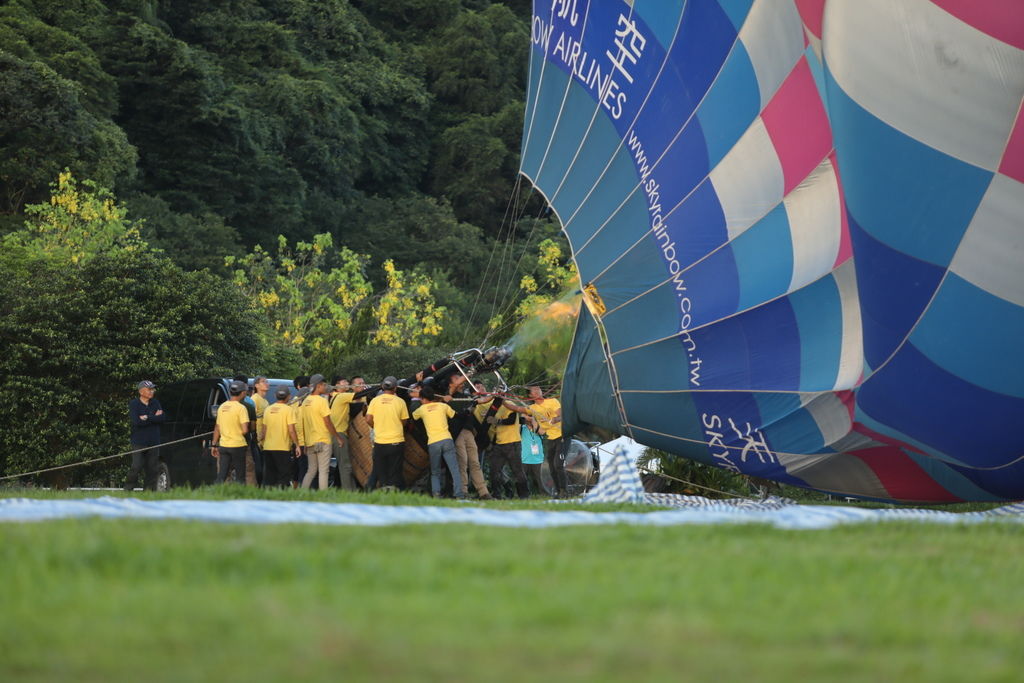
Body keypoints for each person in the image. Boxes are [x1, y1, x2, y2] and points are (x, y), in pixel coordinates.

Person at [412, 386, 464, 499]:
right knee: (454, 469)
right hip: (447, 440)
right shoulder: (443, 406)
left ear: (423, 399)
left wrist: (414, 397)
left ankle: (436, 494)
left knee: (435, 472)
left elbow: (413, 417)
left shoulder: (422, 409)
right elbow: (457, 416)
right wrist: (446, 400)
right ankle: (459, 494)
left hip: (433, 443)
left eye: (421, 399)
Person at [300, 374, 344, 491]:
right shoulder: (321, 401)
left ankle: (301, 494)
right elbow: (328, 422)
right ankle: (323, 497)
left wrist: (304, 442)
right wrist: (338, 437)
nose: (325, 387)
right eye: (324, 385)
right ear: (318, 386)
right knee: (324, 471)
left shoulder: (305, 402)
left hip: (310, 442)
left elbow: (303, 424)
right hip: (323, 441)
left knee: (311, 470)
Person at [365, 376, 408, 491]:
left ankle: (384, 491)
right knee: (395, 471)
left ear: (383, 387)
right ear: (395, 388)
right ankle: (395, 496)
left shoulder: (374, 401)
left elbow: (368, 419)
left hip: (380, 442)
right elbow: (404, 420)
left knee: (381, 471)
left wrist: (377, 427)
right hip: (396, 442)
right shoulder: (400, 402)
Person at [528, 386, 568, 497]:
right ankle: (558, 490)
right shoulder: (532, 408)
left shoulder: (552, 401)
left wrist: (556, 419)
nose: (537, 390)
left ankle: (564, 490)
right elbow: (518, 409)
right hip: (550, 438)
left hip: (562, 435)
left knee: (558, 464)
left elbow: (562, 415)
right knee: (551, 465)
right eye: (534, 390)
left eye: (538, 389)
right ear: (530, 396)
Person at [486, 396, 530, 499]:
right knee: (494, 470)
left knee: (517, 471)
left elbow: (512, 420)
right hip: (499, 444)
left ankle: (524, 496)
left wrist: (497, 421)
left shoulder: (510, 404)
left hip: (513, 443)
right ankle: (497, 495)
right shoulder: (494, 408)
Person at [126, 380, 165, 491]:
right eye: (149, 389)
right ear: (141, 391)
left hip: (154, 441)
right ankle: (128, 490)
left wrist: (147, 417)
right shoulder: (134, 404)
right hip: (138, 442)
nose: (152, 391)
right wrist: (153, 417)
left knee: (152, 469)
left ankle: (148, 492)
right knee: (136, 466)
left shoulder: (155, 402)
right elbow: (137, 422)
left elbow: (162, 418)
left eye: (153, 389)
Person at [260, 387, 301, 487]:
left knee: (269, 476)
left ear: (275, 396)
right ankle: (282, 498)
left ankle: (267, 498)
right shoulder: (288, 410)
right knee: (284, 475)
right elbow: (291, 430)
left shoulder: (268, 409)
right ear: (289, 397)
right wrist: (297, 445)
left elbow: (264, 431)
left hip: (268, 447)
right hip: (282, 447)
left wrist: (261, 442)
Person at [212, 380, 250, 484]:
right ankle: (239, 498)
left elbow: (217, 427)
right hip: (238, 445)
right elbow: (245, 430)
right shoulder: (241, 408)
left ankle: (214, 496)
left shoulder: (222, 407)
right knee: (240, 476)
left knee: (222, 475)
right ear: (242, 393)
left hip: (223, 445)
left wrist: (214, 445)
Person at [329, 376, 356, 491]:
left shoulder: (335, 397)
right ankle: (348, 492)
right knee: (345, 466)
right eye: (344, 382)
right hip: (339, 434)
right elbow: (359, 396)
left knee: (343, 464)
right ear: (337, 385)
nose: (347, 383)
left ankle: (349, 489)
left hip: (336, 434)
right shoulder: (341, 397)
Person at [289, 375, 310, 488]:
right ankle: (301, 491)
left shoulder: (292, 402)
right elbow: (299, 424)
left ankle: (295, 489)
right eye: (307, 386)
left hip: (296, 441)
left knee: (297, 467)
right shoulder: (301, 403)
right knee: (303, 468)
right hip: (302, 441)